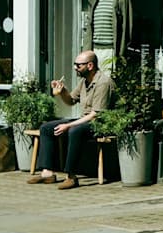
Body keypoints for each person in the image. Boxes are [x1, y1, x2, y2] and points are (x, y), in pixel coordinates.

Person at [28, 51, 115, 190]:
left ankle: (71, 176)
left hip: (100, 123)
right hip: (84, 120)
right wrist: (62, 91)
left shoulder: (103, 83)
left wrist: (68, 125)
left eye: (78, 65)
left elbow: (95, 115)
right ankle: (47, 173)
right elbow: (71, 101)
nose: (75, 68)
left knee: (75, 131)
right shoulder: (84, 82)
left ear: (90, 65)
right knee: (46, 128)